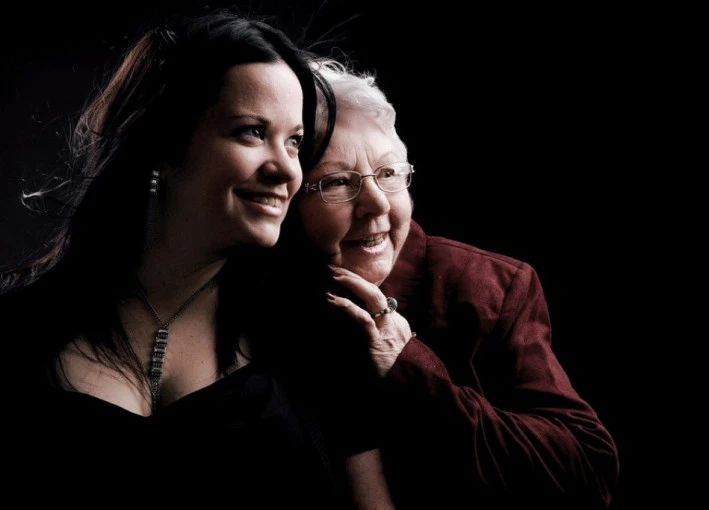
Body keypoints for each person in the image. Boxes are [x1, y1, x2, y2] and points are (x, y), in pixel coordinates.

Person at [0, 10, 383, 508]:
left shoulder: (318, 334)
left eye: (293, 142)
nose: (286, 169)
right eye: (251, 132)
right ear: (164, 144)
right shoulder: (21, 329)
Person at [270, 58, 621, 509]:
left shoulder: (489, 286)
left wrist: (407, 367)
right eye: (338, 182)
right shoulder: (256, 294)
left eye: (389, 173)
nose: (377, 204)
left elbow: (588, 470)